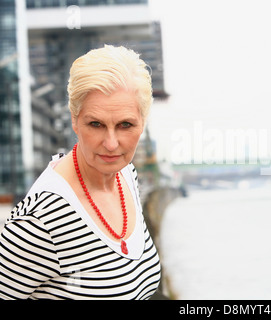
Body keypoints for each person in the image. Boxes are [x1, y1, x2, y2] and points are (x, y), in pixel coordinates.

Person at [0, 45, 161, 299]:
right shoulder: (39, 220)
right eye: (95, 124)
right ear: (74, 119)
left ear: (143, 122)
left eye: (125, 125)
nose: (110, 143)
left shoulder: (127, 175)